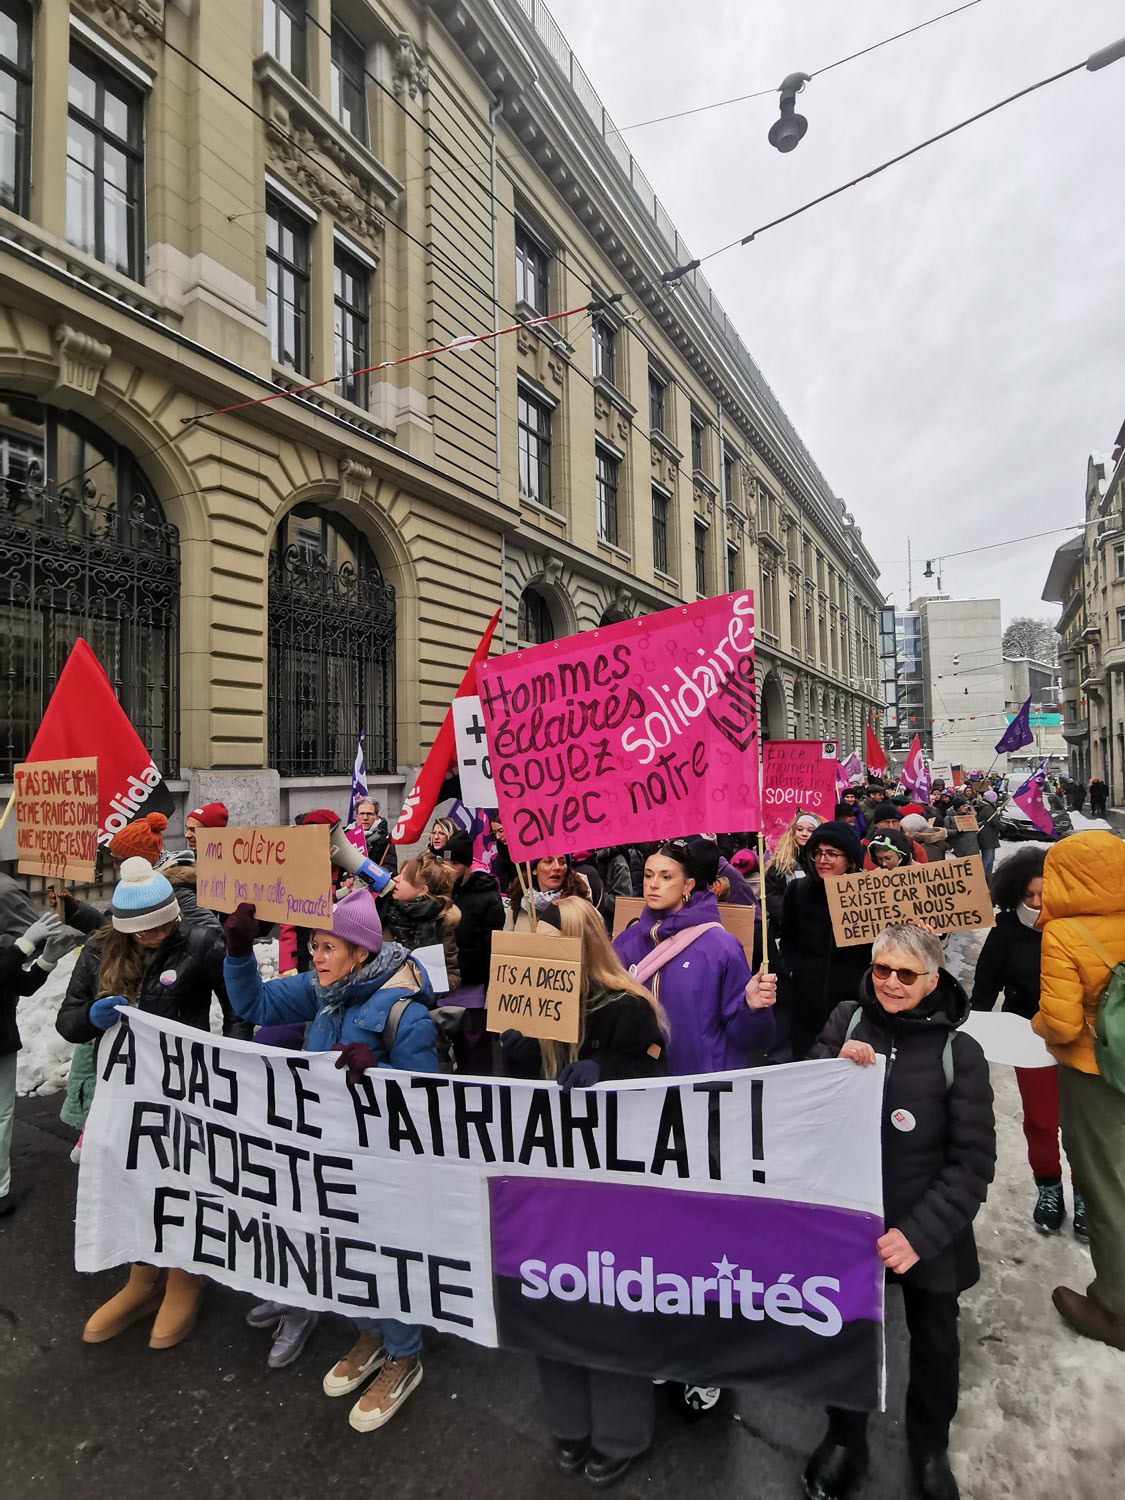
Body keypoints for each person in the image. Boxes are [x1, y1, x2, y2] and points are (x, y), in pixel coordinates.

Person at [222, 888, 441, 1417]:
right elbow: (254, 1005)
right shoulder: (327, 990)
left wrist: (382, 1072)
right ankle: (369, 1334)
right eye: (315, 946)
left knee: (384, 1256)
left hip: (382, 1164)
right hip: (328, 1152)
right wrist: (237, 954)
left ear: (360, 953)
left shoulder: (404, 1012)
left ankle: (404, 1354)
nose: (314, 958)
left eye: (327, 948)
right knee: (346, 1253)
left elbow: (431, 1099)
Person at [804, 923, 995, 1500]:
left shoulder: (958, 1053)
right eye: (882, 969)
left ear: (933, 979)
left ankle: (929, 1446)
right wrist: (833, 1067)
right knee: (846, 1335)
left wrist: (918, 1234)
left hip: (925, 1229)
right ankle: (844, 1437)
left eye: (906, 974)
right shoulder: (847, 1019)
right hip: (851, 1221)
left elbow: (972, 1162)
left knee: (935, 1342)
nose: (890, 982)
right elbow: (802, 1102)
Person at [498, 898, 667, 1486]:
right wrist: (514, 1054)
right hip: (548, 1181)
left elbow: (659, 1088)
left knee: (607, 1305)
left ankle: (622, 1432)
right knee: (550, 1299)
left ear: (579, 944)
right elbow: (512, 1095)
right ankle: (570, 1424)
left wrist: (609, 1073)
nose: (537, 950)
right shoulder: (531, 996)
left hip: (612, 1187)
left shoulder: (628, 1008)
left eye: (550, 939)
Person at [56, 858, 234, 1348]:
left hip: (185, 1087)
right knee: (131, 1175)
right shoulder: (96, 953)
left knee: (181, 1177)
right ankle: (141, 1275)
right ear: (126, 928)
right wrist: (91, 1018)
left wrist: (232, 1069)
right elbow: (67, 1021)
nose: (159, 934)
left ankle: (183, 1276)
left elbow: (237, 1012)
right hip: (124, 1091)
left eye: (165, 923)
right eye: (147, 929)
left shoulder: (199, 941)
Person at [1033, 831, 1125, 1350]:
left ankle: (1115, 1306)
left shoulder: (1064, 934)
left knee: (1108, 1189)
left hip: (1096, 1076)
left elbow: (1063, 1026)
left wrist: (1036, 1024)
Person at [969, 848, 1081, 1236]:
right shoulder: (1005, 933)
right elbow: (984, 988)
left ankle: (1084, 1192)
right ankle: (1048, 1186)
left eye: (1043, 894)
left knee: (1081, 1123)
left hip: (1081, 1041)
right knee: (1041, 1121)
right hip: (1027, 1040)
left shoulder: (1076, 928)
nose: (1035, 903)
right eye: (1028, 895)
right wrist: (971, 1032)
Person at [612, 839, 774, 1075]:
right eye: (648, 875)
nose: (653, 885)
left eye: (666, 877)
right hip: (641, 1091)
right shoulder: (625, 942)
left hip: (701, 1092)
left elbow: (750, 1038)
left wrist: (752, 1008)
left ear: (688, 885)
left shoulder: (722, 947)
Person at [1, 893, 83, 1214]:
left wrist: (47, 959)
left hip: (2, 1040)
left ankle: (0, 1190)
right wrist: (23, 945)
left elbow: (17, 983)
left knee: (3, 1117)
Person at [778, 821, 873, 1061]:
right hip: (805, 1003)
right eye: (817, 852)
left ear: (849, 858)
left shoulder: (868, 894)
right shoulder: (798, 891)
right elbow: (787, 938)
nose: (822, 859)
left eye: (831, 853)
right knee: (804, 1064)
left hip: (852, 1004)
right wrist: (791, 969)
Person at [380, 856, 461, 993]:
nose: (396, 879)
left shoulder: (441, 923)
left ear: (423, 890)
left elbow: (452, 976)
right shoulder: (383, 908)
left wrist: (425, 988)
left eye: (405, 877)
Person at [506, 854, 591, 931]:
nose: (557, 867)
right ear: (534, 869)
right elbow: (505, 944)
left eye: (562, 862)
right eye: (548, 862)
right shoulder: (517, 903)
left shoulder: (580, 905)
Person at [972, 790, 1002, 878]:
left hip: (984, 836)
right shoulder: (988, 808)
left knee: (988, 858)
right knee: (988, 859)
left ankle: (987, 876)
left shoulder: (983, 805)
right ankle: (985, 877)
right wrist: (1004, 827)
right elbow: (994, 822)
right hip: (988, 837)